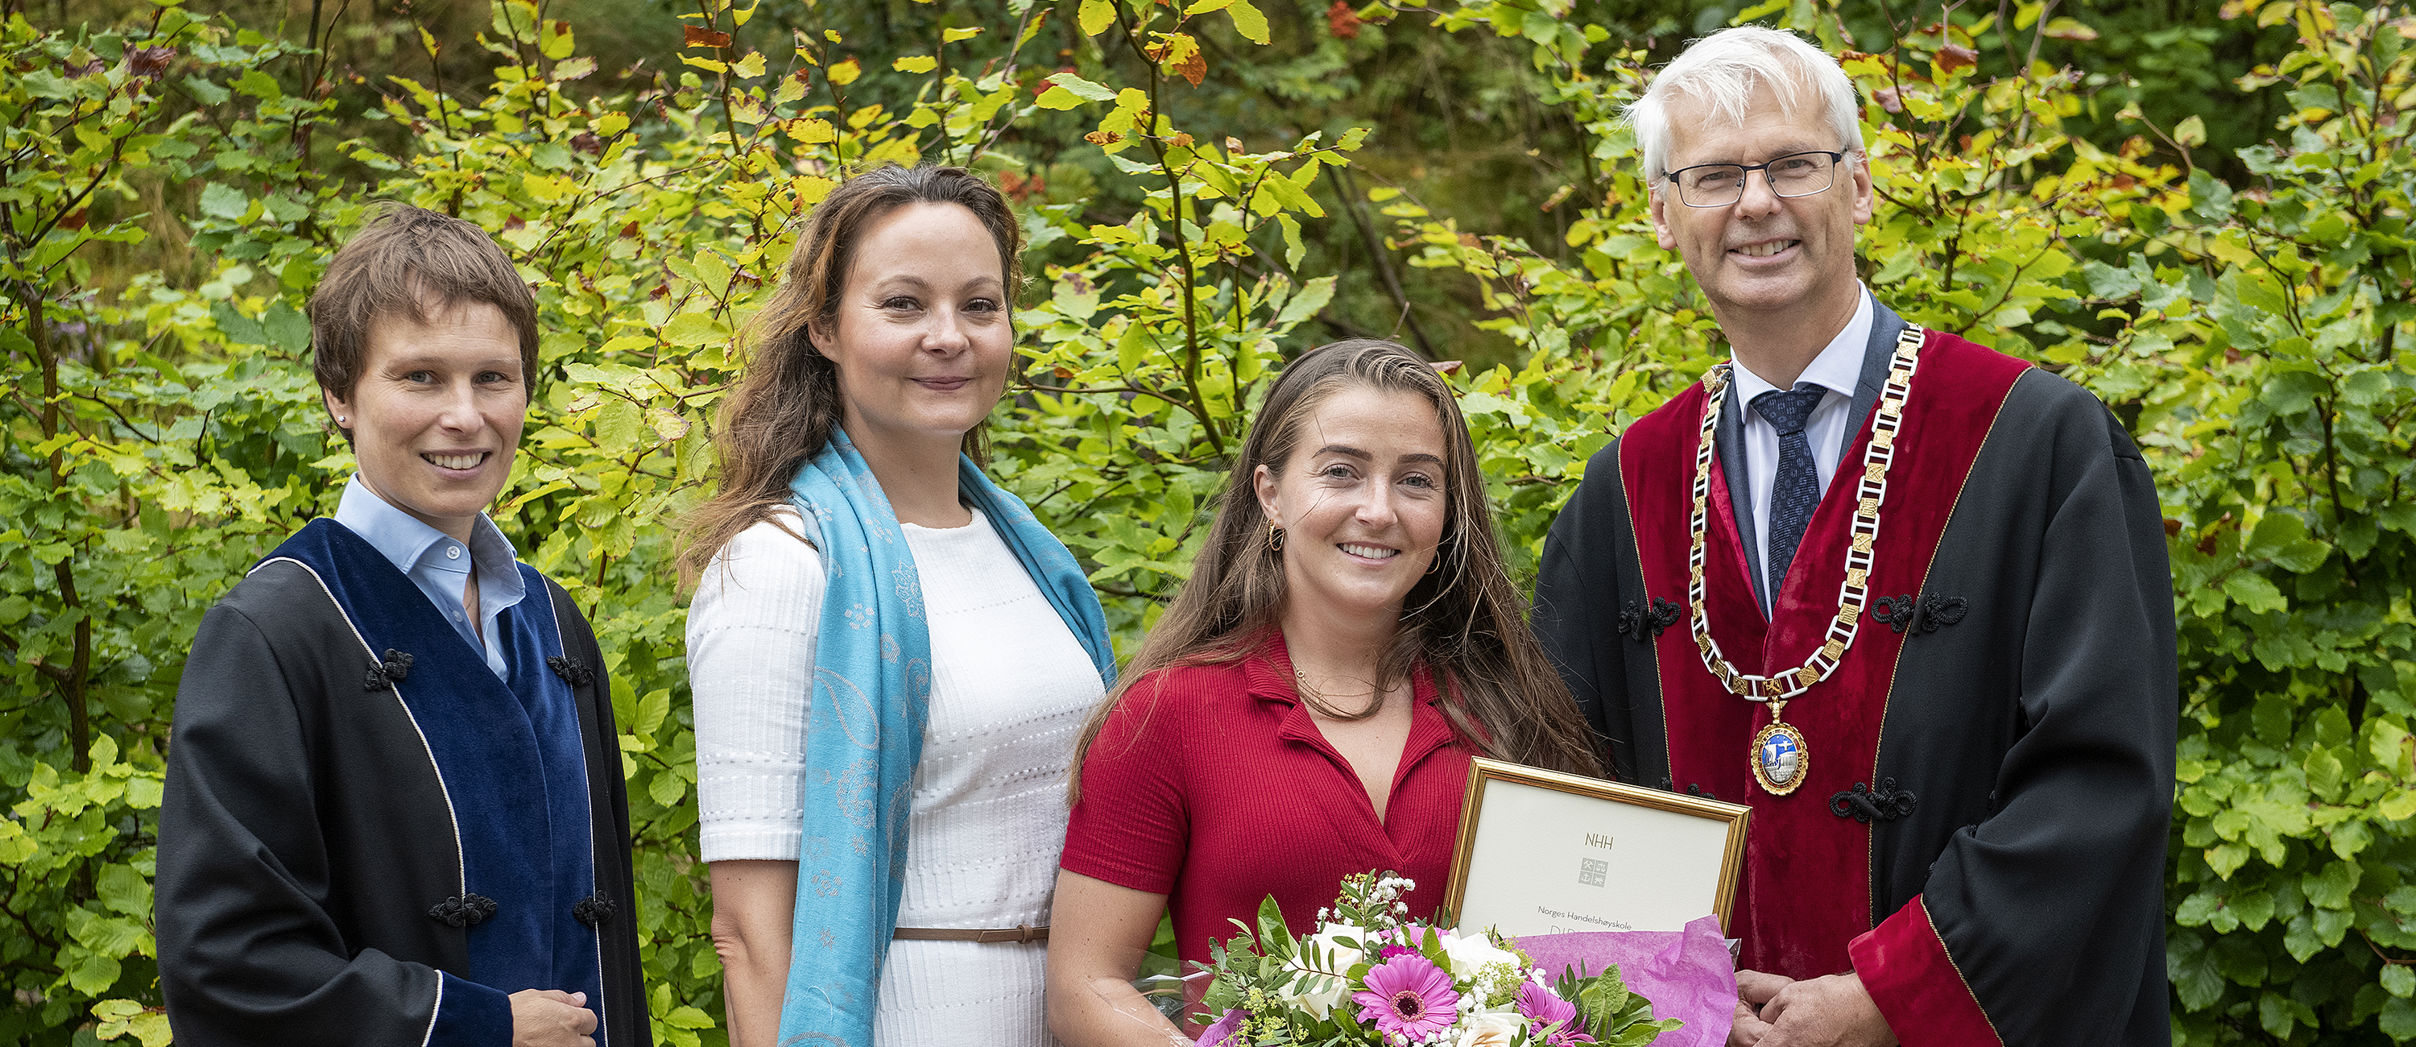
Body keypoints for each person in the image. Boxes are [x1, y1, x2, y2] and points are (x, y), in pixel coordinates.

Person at [1530, 25, 2177, 1047]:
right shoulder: (1627, 486)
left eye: (1791, 162)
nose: (1755, 203)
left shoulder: (2036, 443)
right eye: (1710, 176)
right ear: (1662, 215)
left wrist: (1897, 992)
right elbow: (1559, 783)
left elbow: (2100, 777)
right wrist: (1661, 992)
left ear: (1860, 187)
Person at [157, 205, 649, 1046]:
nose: (465, 415)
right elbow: (226, 957)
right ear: (340, 396)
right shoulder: (275, 629)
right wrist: (475, 1024)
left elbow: (608, 940)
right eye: (420, 377)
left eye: (493, 377)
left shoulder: (554, 621)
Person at [1047, 339, 1606, 1046]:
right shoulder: (1168, 712)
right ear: (1270, 492)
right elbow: (1084, 986)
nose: (1378, 510)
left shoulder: (1507, 708)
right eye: (1341, 471)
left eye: (1416, 480)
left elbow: (1580, 953)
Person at [681, 164, 1116, 1047]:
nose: (949, 336)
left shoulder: (1032, 560)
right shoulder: (778, 567)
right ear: (824, 328)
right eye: (905, 304)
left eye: (980, 305)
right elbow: (749, 936)